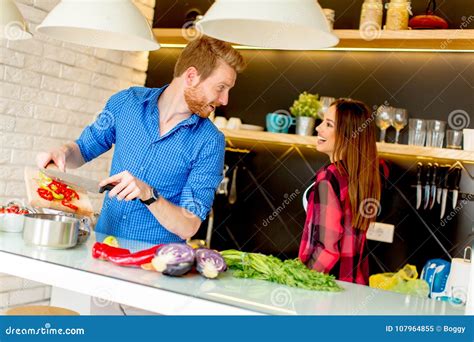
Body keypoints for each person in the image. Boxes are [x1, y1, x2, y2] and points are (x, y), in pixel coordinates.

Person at [36, 36, 246, 244]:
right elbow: (82, 150)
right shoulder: (126, 102)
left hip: (154, 267)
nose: (225, 100)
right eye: (221, 88)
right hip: (102, 249)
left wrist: (149, 194)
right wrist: (63, 153)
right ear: (191, 76)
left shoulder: (210, 142)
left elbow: (188, 226)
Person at [299, 99, 385, 285]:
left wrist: (300, 280)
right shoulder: (364, 175)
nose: (318, 129)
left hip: (327, 287)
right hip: (355, 286)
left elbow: (326, 249)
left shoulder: (329, 176)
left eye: (329, 124)